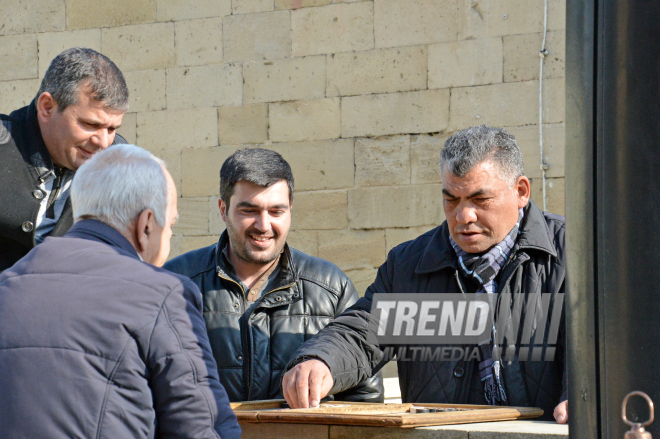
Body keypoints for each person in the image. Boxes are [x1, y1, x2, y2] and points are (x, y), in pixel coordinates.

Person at [282, 125, 569, 423]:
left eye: (480, 200)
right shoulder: (409, 266)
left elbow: (608, 344)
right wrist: (321, 360)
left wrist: (592, 395)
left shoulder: (577, 254)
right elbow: (366, 329)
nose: (463, 216)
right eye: (451, 200)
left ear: (520, 191)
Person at [0, 144, 241, 438]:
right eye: (171, 226)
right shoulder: (163, 293)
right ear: (146, 226)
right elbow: (200, 426)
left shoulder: (8, 283)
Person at [164, 148, 383, 402]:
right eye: (249, 211)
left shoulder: (332, 288)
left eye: (276, 212)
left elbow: (365, 398)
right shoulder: (175, 283)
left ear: (290, 209)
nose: (264, 225)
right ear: (223, 209)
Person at [0, 47, 129, 271]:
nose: (103, 142)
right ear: (47, 107)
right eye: (90, 124)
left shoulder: (120, 160)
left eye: (111, 129)